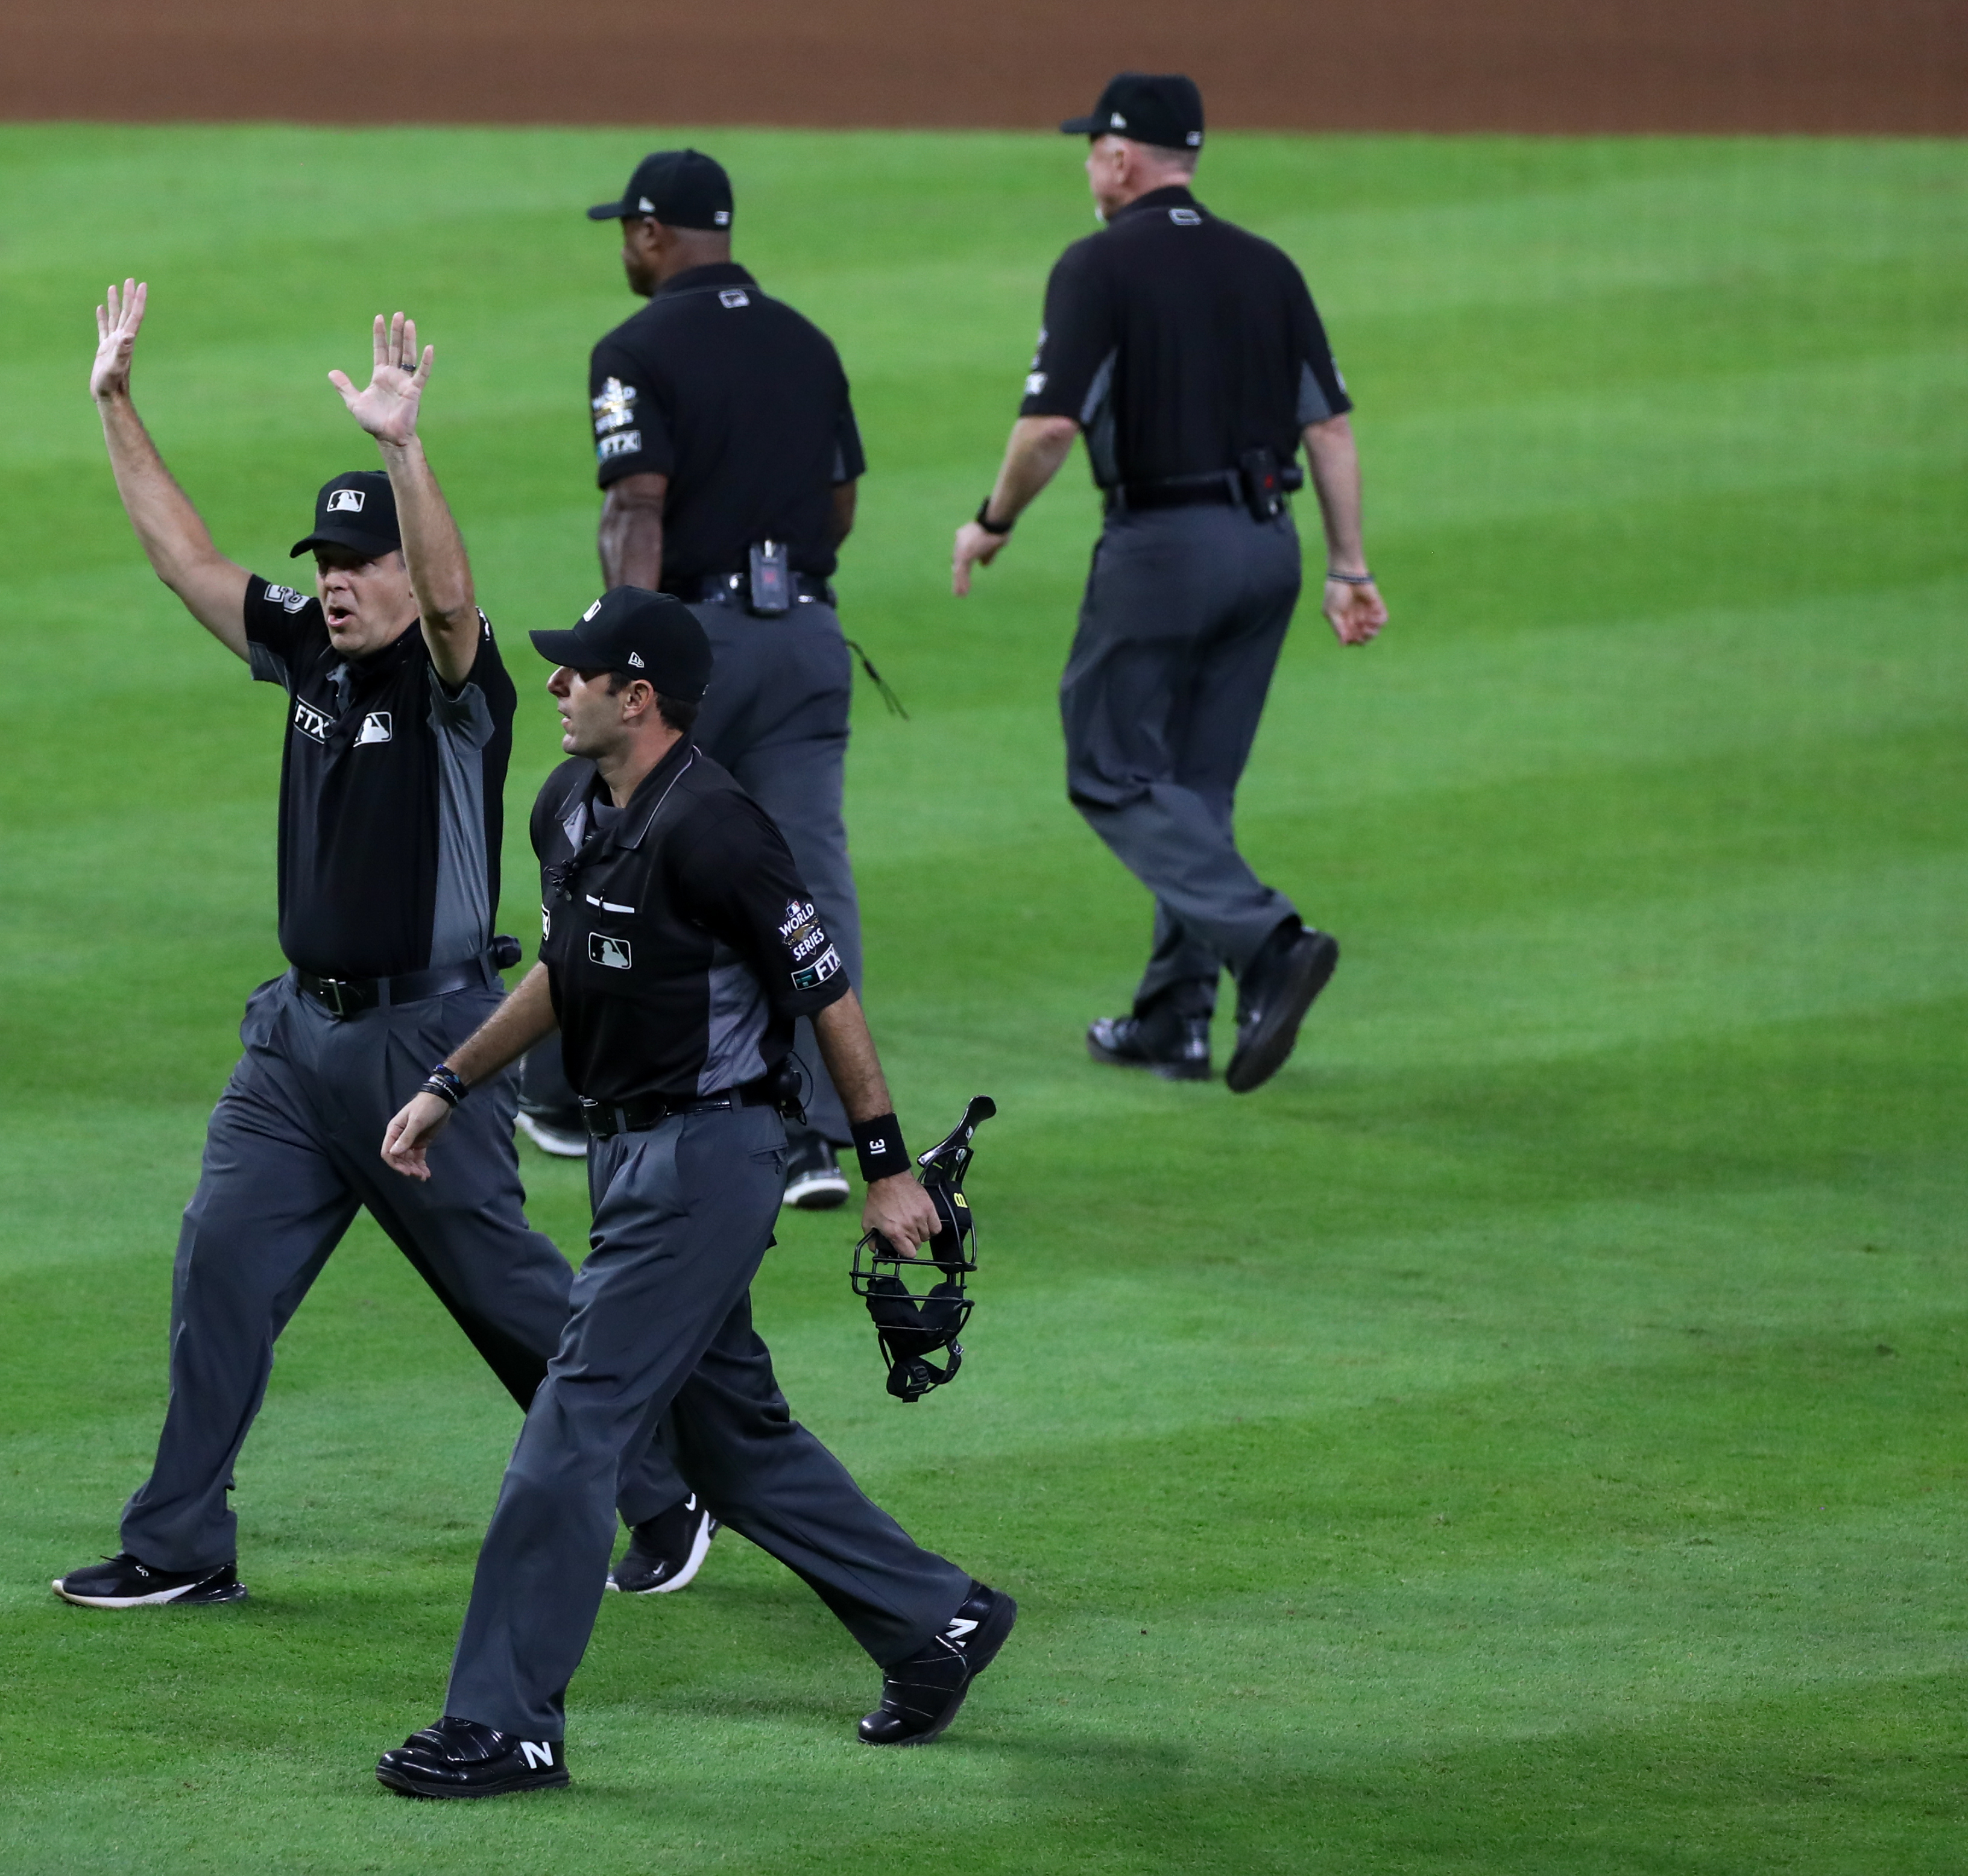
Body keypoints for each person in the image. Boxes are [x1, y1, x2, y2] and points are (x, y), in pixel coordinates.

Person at [53, 283, 708, 1611]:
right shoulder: (308, 653)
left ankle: (667, 1485)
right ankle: (180, 1538)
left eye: (359, 563)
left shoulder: (455, 691)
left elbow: (461, 603)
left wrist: (408, 449)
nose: (333, 581)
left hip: (432, 1041)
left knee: (514, 1300)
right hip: (295, 1043)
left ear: (405, 568)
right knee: (220, 1265)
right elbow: (187, 561)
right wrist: (116, 408)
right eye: (324, 560)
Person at [371, 589, 1013, 1799]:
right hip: (630, 1159)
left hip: (709, 1160)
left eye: (578, 673)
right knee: (728, 1436)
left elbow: (827, 992)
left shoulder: (720, 830)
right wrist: (452, 1082)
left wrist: (883, 1167)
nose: (555, 686)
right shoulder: (571, 806)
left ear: (640, 697)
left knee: (574, 1429)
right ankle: (940, 1618)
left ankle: (508, 1721)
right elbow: (568, 967)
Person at [951, 74, 1388, 1093]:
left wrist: (994, 520)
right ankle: (1173, 1020)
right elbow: (1328, 424)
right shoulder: (1269, 266)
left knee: (1108, 765)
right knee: (1193, 790)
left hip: (1164, 550)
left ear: (1118, 156)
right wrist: (1349, 567)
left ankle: (1273, 947)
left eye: (1090, 148)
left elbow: (1052, 426)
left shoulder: (1098, 267)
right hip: (1268, 547)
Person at [512, 148, 872, 1213]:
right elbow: (841, 504)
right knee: (805, 882)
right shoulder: (808, 341)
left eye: (627, 228)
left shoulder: (635, 345)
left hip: (698, 645)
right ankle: (810, 1139)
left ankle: (575, 1098)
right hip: (809, 635)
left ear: (655, 235)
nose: (625, 245)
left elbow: (637, 505)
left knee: (630, 856)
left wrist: (628, 656)